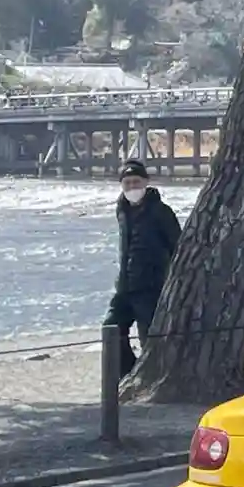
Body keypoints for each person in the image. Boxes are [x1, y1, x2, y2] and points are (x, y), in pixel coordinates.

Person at [104, 159, 182, 377]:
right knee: (111, 328)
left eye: (136, 182)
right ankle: (128, 373)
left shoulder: (161, 211)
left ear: (146, 182)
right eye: (127, 183)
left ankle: (151, 376)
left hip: (151, 287)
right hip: (125, 286)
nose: (132, 187)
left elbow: (178, 246)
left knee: (148, 337)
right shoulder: (122, 210)